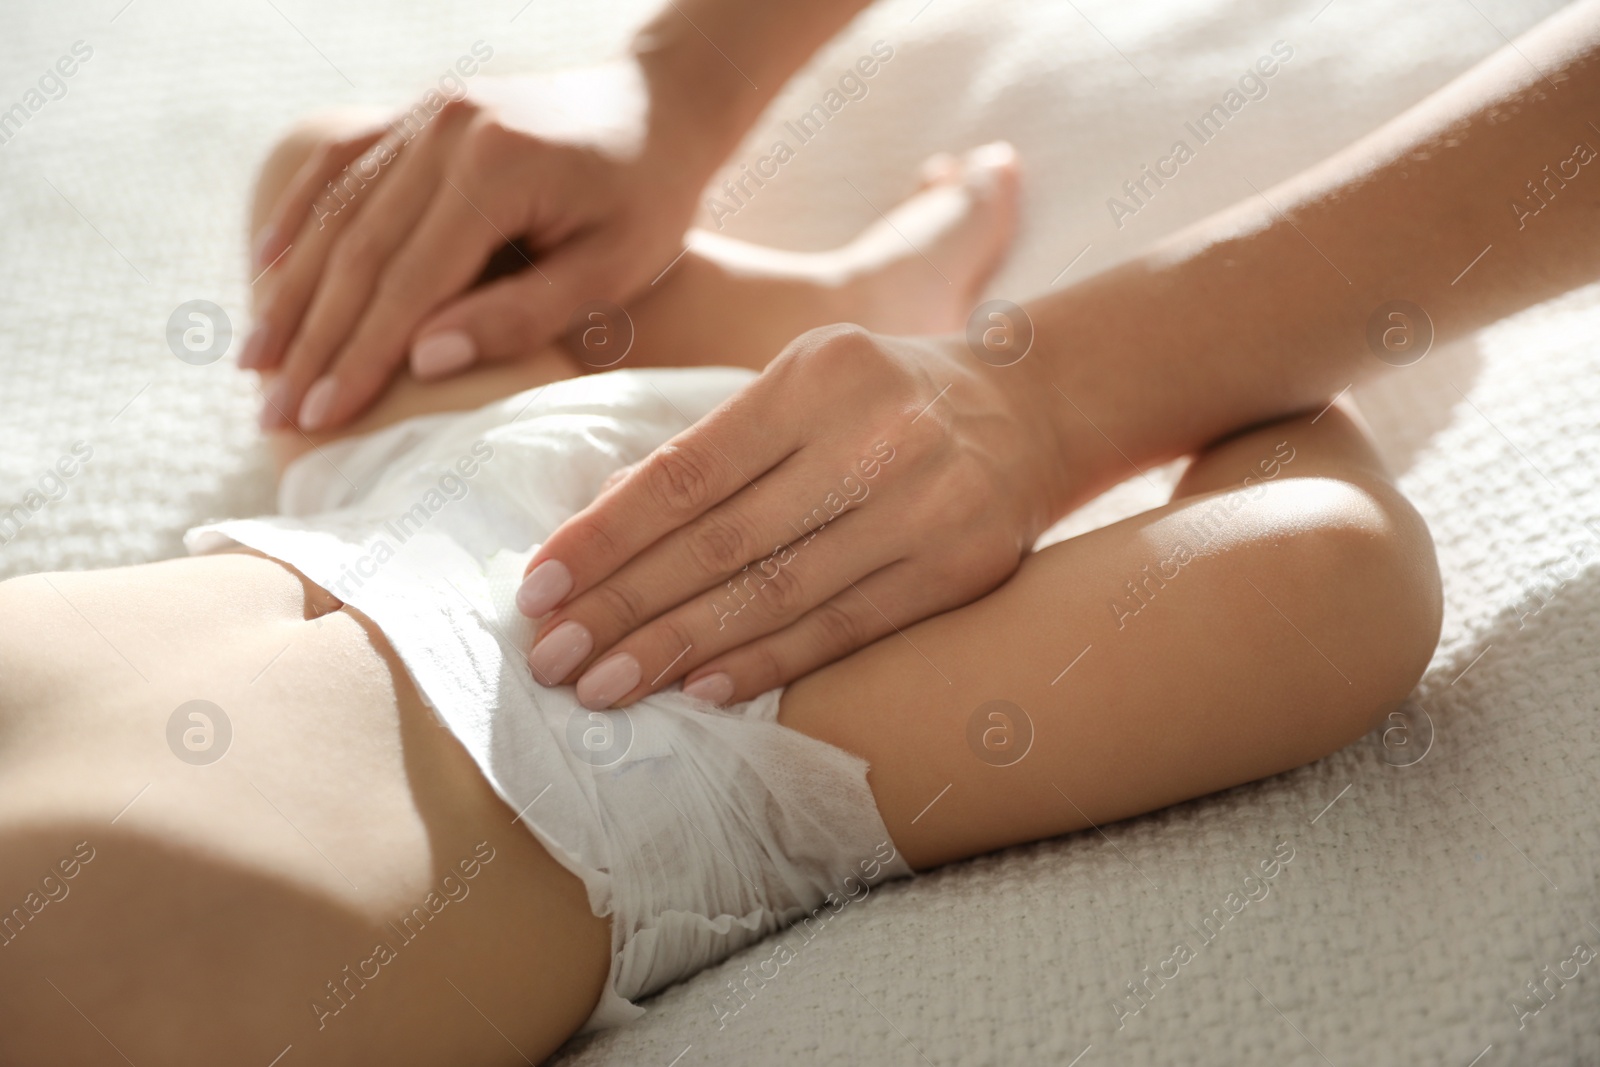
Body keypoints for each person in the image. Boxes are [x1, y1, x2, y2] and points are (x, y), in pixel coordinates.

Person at [0, 129, 1441, 1067]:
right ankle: (1253, 360)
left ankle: (836, 310)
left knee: (345, 199)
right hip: (674, 739)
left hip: (380, 509)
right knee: (1329, 581)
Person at [241, 0, 1600, 713]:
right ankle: (833, 305)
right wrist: (681, 75)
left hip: (610, 730)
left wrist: (1063, 395)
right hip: (415, 544)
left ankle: (847, 315)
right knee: (344, 188)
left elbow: (1322, 580)